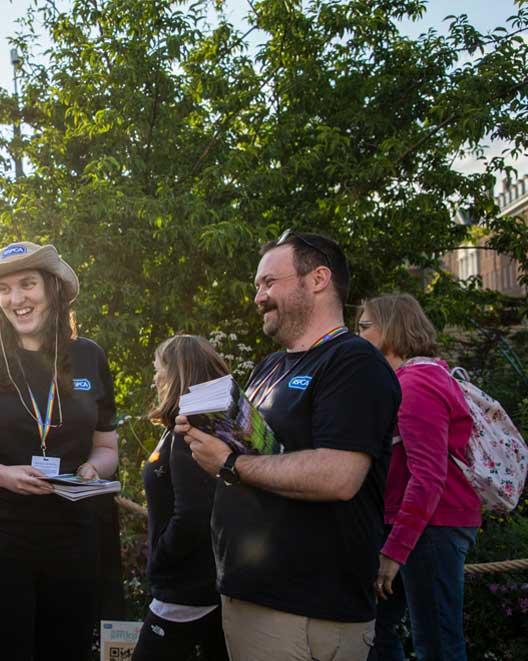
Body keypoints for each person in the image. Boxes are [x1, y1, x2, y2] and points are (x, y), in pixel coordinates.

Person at [179, 230, 401, 661]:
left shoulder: (354, 362)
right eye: (257, 286)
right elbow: (265, 452)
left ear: (318, 279)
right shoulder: (270, 365)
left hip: (304, 610)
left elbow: (338, 476)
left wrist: (229, 463)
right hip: (254, 598)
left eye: (269, 282)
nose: (258, 297)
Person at [0, 241, 119, 661]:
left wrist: (92, 470)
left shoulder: (88, 356)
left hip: (73, 545)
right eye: (5, 289)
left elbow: (106, 446)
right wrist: (4, 475)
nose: (16, 299)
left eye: (27, 284)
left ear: (53, 288)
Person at [357, 294, 480, 661]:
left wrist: (395, 551)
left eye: (364, 327)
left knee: (438, 646)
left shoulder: (417, 385)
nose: (356, 335)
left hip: (432, 527)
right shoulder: (412, 378)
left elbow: (427, 477)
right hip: (415, 527)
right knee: (378, 633)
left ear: (390, 330)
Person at [134, 335, 230, 661]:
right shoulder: (198, 427)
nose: (154, 378)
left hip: (184, 590)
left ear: (177, 374)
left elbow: (194, 514)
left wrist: (161, 558)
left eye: (158, 369)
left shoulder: (190, 431)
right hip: (203, 585)